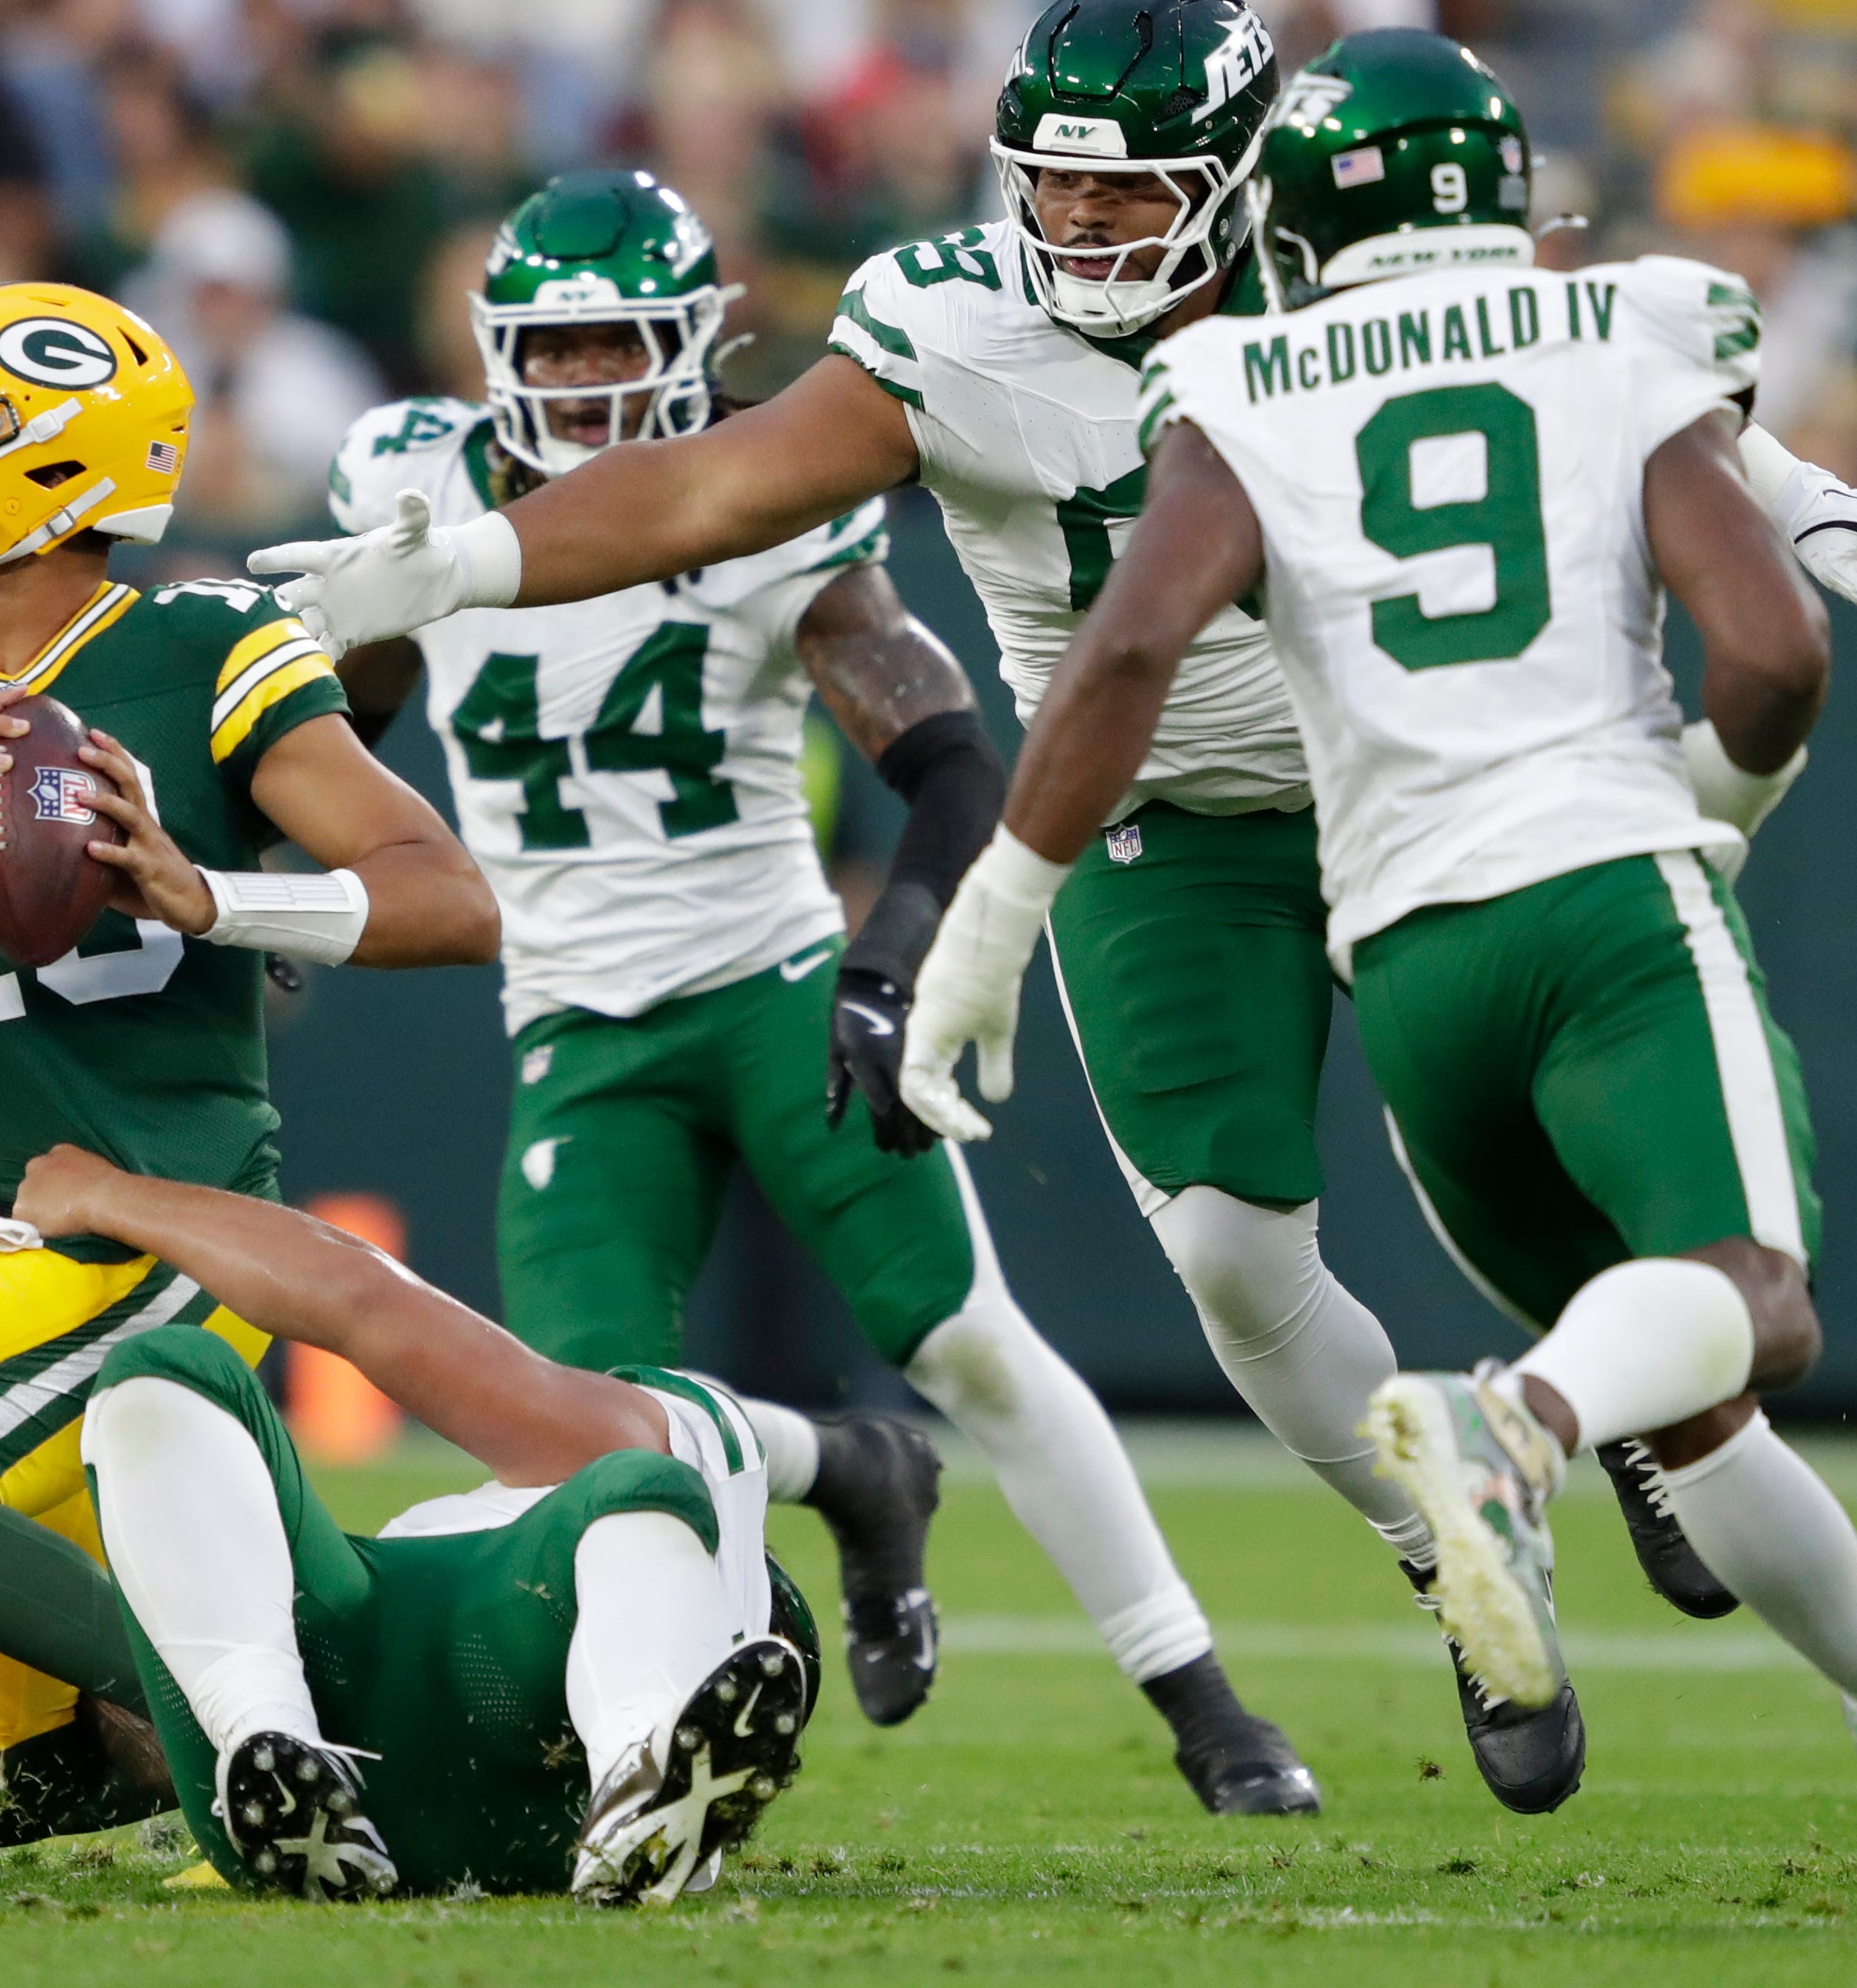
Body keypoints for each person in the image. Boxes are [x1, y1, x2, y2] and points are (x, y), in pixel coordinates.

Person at [241, 0, 1857, 1815]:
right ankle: (1459, 1556)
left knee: (1551, 1157)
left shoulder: (1337, 281)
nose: (1082, 231)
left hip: (1400, 775)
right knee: (1236, 1252)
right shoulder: (948, 324)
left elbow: (1565, 361)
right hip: (1155, 813)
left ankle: (1596, 1405)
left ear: (1247, 180)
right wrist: (456, 556)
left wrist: (1794, 491)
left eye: (1133, 193)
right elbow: (706, 480)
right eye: (1056, 192)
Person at [898, 30, 1857, 1860]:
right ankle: (1517, 1422)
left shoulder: (1232, 378)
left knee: (1692, 1393)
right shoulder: (1624, 320)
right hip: (1588, 878)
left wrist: (986, 910)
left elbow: (1120, 650)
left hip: (1403, 926)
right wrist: (1722, 806)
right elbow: (1767, 657)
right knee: (1745, 1301)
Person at [301, 167, 1316, 1816]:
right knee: (580, 1432)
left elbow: (952, 765)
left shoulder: (770, 509)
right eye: (546, 354)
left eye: (612, 346)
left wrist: (885, 965)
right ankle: (798, 1539)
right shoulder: (412, 487)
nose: (575, 385)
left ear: (694, 348)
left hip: (768, 978)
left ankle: (1202, 1701)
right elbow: (328, 735)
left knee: (971, 1340)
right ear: (492, 355)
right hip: (572, 1026)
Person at [0, 280, 498, 1848]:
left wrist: (214, 892)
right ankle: (374, 1707)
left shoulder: (201, 643)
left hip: (168, 1218)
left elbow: (452, 900)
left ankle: (286, 1733)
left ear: (55, 463)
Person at [10, 1141, 816, 1906]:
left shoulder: (660, 1446)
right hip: (543, 1812)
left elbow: (361, 1298)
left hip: (330, 1730)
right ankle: (639, 1774)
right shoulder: (616, 1514)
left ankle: (274, 1741)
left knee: (164, 1371)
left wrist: (106, 1194)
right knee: (636, 1497)